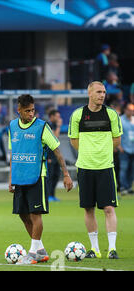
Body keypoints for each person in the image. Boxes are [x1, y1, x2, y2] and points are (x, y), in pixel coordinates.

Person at [8, 94, 73, 265]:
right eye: (27, 111)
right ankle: (40, 250)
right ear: (19, 110)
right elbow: (13, 154)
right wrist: (11, 178)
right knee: (22, 214)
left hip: (37, 176)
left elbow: (57, 150)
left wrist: (66, 174)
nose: (31, 114)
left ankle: (32, 252)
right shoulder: (12, 126)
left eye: (33, 110)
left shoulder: (42, 126)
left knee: (35, 215)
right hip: (19, 177)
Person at [68, 81, 123, 259]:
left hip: (105, 167)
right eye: (99, 91)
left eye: (104, 92)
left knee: (108, 208)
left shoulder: (111, 115)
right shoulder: (78, 115)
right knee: (88, 208)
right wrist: (88, 153)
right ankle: (95, 249)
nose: (102, 95)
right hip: (85, 167)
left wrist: (102, 153)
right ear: (89, 93)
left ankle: (112, 249)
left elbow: (117, 140)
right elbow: (73, 140)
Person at [46, 109, 63, 202]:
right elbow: (54, 138)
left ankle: (52, 195)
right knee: (50, 176)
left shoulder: (55, 125)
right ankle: (48, 196)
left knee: (56, 175)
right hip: (49, 155)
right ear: (51, 117)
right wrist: (59, 126)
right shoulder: (48, 125)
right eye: (57, 116)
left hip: (55, 155)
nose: (58, 118)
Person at [118, 103, 134, 195]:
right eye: (130, 110)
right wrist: (119, 146)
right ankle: (123, 187)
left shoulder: (133, 120)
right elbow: (117, 134)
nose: (132, 111)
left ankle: (128, 187)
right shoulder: (121, 120)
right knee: (124, 168)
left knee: (132, 170)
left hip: (133, 148)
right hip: (124, 149)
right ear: (126, 110)